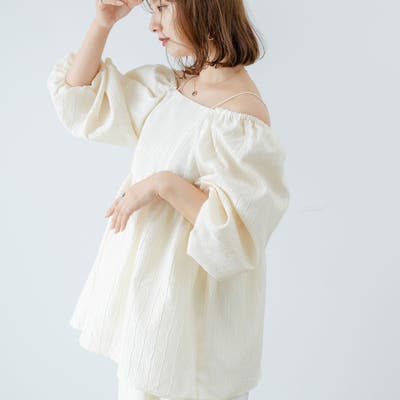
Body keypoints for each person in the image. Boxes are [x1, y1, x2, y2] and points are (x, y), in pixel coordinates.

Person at [46, 0, 290, 399]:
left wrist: (163, 184)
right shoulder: (174, 88)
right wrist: (102, 23)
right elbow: (82, 102)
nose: (153, 24)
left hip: (192, 331)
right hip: (149, 310)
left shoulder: (241, 115)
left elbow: (236, 238)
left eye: (161, 7)